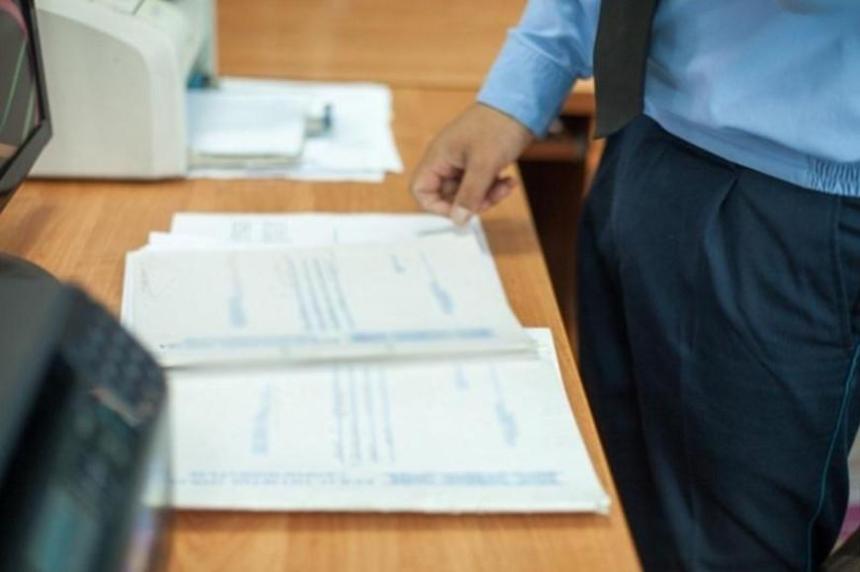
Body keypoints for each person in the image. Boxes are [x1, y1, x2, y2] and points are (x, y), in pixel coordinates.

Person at [410, 1, 860, 570]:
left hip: (790, 198)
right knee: (623, 520)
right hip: (646, 136)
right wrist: (528, 78)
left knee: (728, 549)